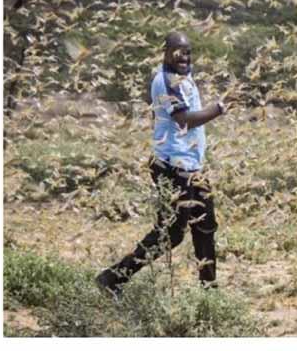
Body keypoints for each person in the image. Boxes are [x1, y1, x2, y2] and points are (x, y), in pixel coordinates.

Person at [96, 31, 230, 297]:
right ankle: (112, 279)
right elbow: (183, 119)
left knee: (205, 226)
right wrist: (219, 109)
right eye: (178, 51)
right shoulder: (166, 81)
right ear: (166, 52)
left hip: (192, 167)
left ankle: (209, 292)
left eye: (188, 51)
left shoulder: (183, 78)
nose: (184, 56)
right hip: (173, 167)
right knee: (170, 233)